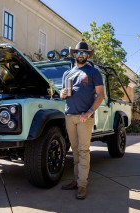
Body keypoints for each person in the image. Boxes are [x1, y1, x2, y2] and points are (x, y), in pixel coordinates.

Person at [60, 41, 104, 199]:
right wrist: (62, 94)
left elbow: (100, 95)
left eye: (84, 53)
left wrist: (90, 112)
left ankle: (82, 186)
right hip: (69, 116)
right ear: (74, 54)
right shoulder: (67, 73)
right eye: (78, 52)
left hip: (84, 117)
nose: (81, 55)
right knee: (75, 151)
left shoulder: (93, 72)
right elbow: (61, 94)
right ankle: (76, 181)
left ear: (88, 55)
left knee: (84, 152)